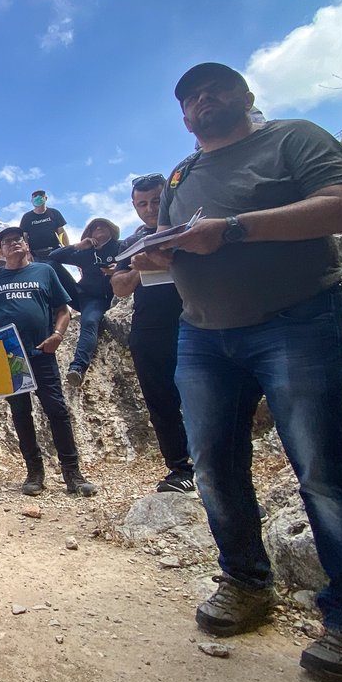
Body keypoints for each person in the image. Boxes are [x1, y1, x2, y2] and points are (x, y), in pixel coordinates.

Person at [146, 61, 342, 682]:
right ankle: (247, 584)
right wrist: (154, 255)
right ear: (183, 116)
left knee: (324, 470)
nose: (202, 100)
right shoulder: (183, 172)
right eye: (190, 96)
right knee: (214, 466)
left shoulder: (293, 138)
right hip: (201, 334)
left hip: (297, 322)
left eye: (214, 88)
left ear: (244, 95)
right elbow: (184, 245)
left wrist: (232, 231)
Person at [0, 228, 98, 498]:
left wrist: (58, 335)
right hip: (9, 358)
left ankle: (72, 473)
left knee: (57, 411)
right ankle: (34, 473)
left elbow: (62, 310)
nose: (13, 244)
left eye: (18, 239)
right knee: (20, 414)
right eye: (6, 242)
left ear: (26, 244)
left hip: (42, 354)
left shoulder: (44, 271)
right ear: (0, 249)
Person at [108, 175, 195, 493]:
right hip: (149, 327)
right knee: (161, 400)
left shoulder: (189, 229)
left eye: (156, 201)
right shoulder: (128, 243)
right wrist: (141, 266)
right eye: (142, 203)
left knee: (206, 395)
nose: (150, 208)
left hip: (196, 319)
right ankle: (180, 468)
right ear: (133, 206)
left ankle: (215, 463)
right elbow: (119, 288)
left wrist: (165, 259)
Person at [49, 217, 121, 386]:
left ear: (111, 230)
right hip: (82, 295)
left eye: (103, 226)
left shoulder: (120, 246)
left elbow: (136, 259)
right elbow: (53, 257)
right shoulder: (86, 252)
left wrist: (119, 269)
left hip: (102, 299)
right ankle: (53, 309)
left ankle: (78, 367)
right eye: (95, 228)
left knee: (89, 322)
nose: (99, 228)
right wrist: (78, 246)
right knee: (49, 266)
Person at [17, 189, 67, 259]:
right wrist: (27, 253)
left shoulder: (54, 213)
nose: (37, 197)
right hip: (35, 254)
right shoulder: (27, 217)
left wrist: (67, 248)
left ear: (45, 198)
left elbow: (61, 232)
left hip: (54, 251)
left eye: (40, 195)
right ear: (32, 201)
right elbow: (24, 236)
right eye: (35, 196)